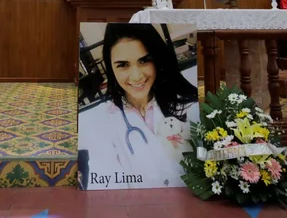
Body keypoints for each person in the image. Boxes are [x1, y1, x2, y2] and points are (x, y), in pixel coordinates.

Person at [78, 24, 198, 190]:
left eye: (144, 61)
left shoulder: (189, 105)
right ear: (111, 68)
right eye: (123, 65)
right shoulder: (102, 122)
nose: (136, 76)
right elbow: (104, 189)